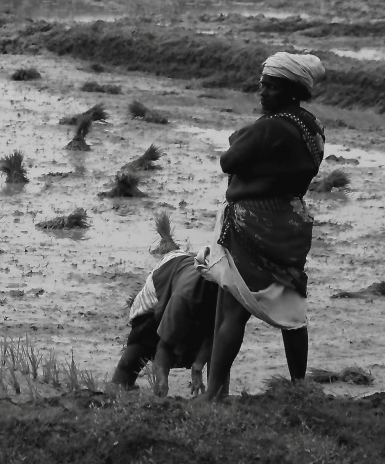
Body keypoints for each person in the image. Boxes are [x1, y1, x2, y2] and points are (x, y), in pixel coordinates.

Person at [200, 52, 326, 400]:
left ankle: (213, 395)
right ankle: (299, 386)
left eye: (271, 87)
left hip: (252, 226)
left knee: (233, 311)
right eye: (263, 86)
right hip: (291, 226)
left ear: (291, 90)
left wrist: (243, 138)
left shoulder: (270, 126)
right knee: (292, 309)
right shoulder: (311, 127)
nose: (263, 93)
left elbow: (228, 161)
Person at [112, 250, 219, 396]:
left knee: (223, 340)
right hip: (166, 275)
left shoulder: (230, 290)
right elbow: (164, 346)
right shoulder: (183, 298)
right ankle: (119, 387)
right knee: (144, 339)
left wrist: (198, 365)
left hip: (189, 273)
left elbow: (216, 334)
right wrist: (162, 382)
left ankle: (216, 396)